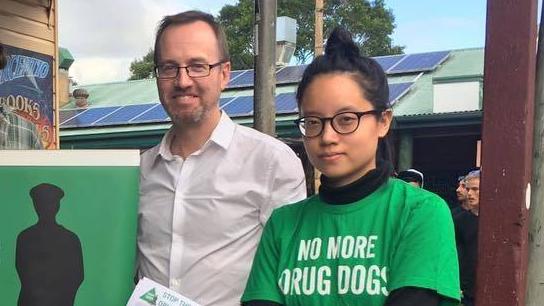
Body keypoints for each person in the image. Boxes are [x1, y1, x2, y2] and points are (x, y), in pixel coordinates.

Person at [242, 28, 460, 306]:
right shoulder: (283, 224)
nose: (327, 137)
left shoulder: (418, 212)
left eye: (346, 120)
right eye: (312, 121)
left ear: (383, 121)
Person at [136, 10, 307, 306]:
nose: (182, 80)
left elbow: (292, 275)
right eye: (169, 67)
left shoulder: (271, 162)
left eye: (197, 66)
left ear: (224, 73)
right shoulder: (139, 172)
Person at [453, 170, 480, 306]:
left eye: (475, 189)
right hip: (464, 291)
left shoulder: (495, 222)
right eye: (468, 189)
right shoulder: (459, 220)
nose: (469, 194)